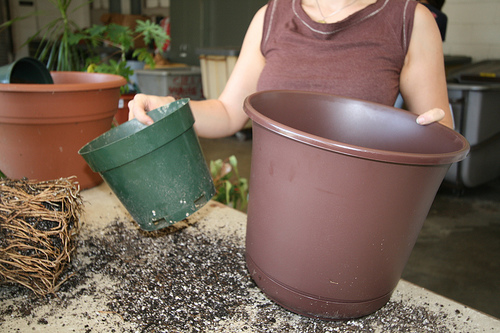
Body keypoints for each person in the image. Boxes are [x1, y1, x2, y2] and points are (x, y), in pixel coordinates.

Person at [129, 0, 454, 138]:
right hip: (277, 199)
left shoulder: (410, 21)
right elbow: (227, 113)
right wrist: (167, 108)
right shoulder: (270, 17)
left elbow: (442, 135)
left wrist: (422, 135)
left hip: (360, 206)